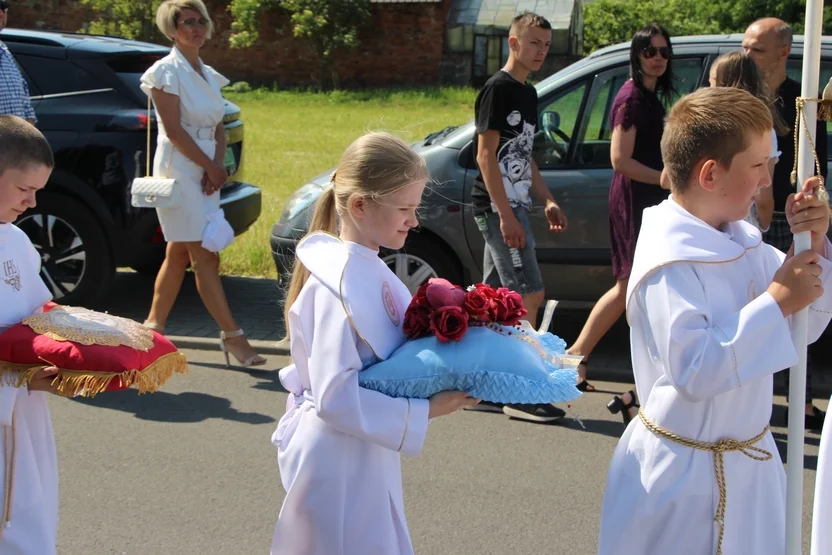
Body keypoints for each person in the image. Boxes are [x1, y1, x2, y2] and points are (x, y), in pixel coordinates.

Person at [597, 87, 832, 555]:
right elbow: (696, 370)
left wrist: (812, 244)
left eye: (773, 160)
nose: (770, 179)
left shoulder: (741, 241)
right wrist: (776, 303)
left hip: (751, 466)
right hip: (681, 479)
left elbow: (807, 324)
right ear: (710, 174)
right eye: (760, 165)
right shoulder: (669, 260)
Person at [270, 132, 479, 555]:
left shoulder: (372, 268)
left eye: (416, 207)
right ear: (360, 205)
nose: (414, 221)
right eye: (404, 208)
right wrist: (422, 409)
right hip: (334, 455)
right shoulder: (336, 284)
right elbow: (334, 395)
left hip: (359, 446)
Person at [139, 0, 264, 368]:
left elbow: (218, 124)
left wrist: (218, 166)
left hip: (207, 168)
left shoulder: (208, 73)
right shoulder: (164, 72)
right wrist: (210, 166)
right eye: (187, 22)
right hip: (180, 168)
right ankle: (233, 337)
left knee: (179, 253)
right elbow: (175, 132)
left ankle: (151, 330)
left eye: (200, 21)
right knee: (205, 255)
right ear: (172, 30)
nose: (196, 28)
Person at [566, 23, 674, 420]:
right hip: (633, 198)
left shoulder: (649, 95)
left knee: (636, 285)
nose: (658, 58)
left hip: (650, 198)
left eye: (664, 52)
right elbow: (619, 160)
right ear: (637, 54)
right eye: (650, 51)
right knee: (629, 284)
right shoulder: (629, 99)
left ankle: (584, 359)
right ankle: (575, 356)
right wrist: (663, 177)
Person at [468, 11, 569, 423]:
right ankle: (522, 393)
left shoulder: (528, 92)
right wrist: (506, 216)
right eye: (533, 43)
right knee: (528, 295)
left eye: (546, 45)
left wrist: (545, 198)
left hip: (516, 205)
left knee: (491, 299)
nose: (541, 51)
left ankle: (483, 387)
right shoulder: (498, 89)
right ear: (513, 43)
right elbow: (485, 155)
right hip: (497, 208)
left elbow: (522, 155)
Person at [743, 17, 829, 430]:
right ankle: (753, 390)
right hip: (744, 214)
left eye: (756, 49)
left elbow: (818, 158)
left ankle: (802, 399)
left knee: (801, 305)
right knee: (751, 304)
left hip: (787, 218)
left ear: (782, 53)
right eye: (744, 47)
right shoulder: (741, 99)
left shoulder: (803, 101)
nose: (747, 57)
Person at [0, 115, 62, 554]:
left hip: (26, 419)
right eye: (24, 190)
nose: (32, 202)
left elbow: (39, 316)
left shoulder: (17, 243)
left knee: (31, 520)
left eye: (38, 191)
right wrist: (19, 377)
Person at [708, 51, 789, 231]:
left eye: (712, 81)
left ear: (722, 84)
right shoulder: (763, 132)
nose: (708, 87)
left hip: (704, 219)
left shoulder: (703, 126)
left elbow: (667, 179)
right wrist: (763, 226)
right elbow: (763, 197)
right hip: (743, 225)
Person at [0, 0, 37, 125]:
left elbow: (25, 102)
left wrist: (30, 137)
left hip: (15, 142)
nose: (1, 13)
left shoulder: (5, 53)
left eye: (3, 8)